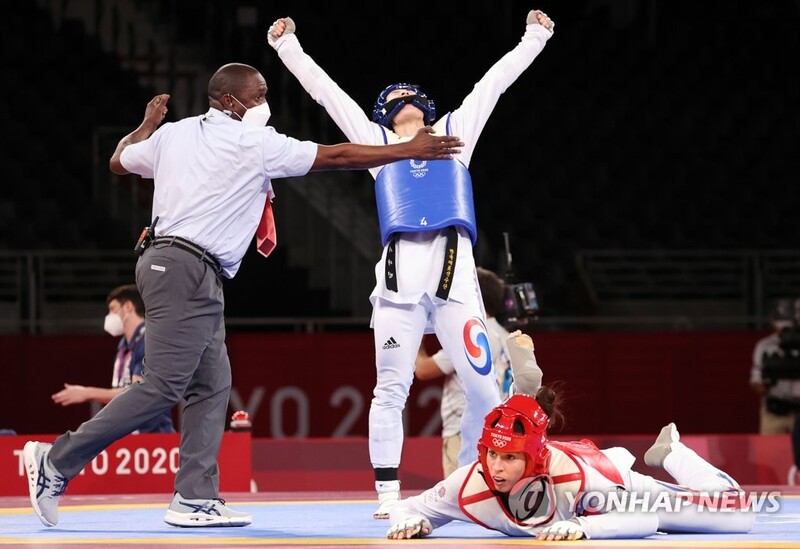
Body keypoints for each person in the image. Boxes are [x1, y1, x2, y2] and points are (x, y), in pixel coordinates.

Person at [21, 60, 463, 529]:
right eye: (257, 96)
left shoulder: (174, 134)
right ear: (230, 101)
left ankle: (194, 498)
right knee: (163, 385)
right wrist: (405, 151)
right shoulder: (253, 142)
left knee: (211, 386)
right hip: (182, 266)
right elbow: (335, 157)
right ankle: (55, 462)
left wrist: (148, 126)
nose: (264, 103)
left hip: (191, 270)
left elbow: (118, 159)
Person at [268, 8, 554, 518]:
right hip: (399, 280)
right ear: (384, 112)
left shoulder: (455, 133)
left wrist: (535, 36)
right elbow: (327, 93)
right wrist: (289, 48)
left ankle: (474, 478)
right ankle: (387, 494)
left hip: (455, 278)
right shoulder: (376, 144)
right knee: (390, 387)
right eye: (395, 101)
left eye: (410, 99)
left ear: (423, 107)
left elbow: (494, 83)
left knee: (484, 389)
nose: (404, 104)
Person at [386, 333, 755, 541]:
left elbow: (645, 519)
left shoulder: (572, 480)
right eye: (492, 455)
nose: (496, 467)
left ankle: (672, 453)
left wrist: (584, 526)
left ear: (533, 459)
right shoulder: (468, 483)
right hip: (564, 470)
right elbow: (413, 507)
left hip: (614, 483)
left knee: (739, 513)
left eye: (510, 458)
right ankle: (526, 384)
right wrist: (412, 521)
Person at [415, 268, 542, 477]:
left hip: (463, 430)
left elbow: (422, 370)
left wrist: (416, 333)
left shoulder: (472, 336)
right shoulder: (506, 335)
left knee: (460, 498)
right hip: (497, 431)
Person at [51, 284, 175, 434]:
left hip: (153, 436)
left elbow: (138, 394)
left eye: (112, 309)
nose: (109, 316)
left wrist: (87, 392)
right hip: (129, 434)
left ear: (128, 307)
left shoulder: (148, 341)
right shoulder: (124, 347)